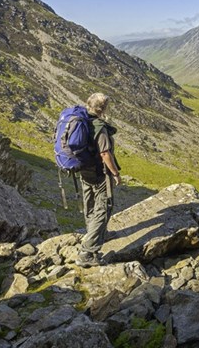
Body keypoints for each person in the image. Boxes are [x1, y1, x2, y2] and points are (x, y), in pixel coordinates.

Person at [75, 92, 121, 268]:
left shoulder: (82, 120)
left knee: (91, 204)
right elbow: (104, 153)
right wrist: (115, 173)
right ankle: (88, 253)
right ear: (103, 108)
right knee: (104, 207)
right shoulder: (98, 127)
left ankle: (97, 232)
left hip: (85, 170)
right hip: (100, 172)